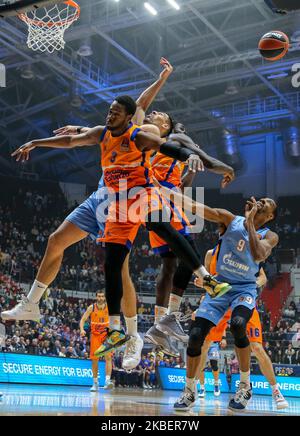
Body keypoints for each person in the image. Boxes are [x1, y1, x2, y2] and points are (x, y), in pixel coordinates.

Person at [1, 58, 175, 371]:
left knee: (120, 271)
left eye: (161, 119)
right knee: (55, 240)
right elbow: (136, 106)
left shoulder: (156, 146)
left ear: (166, 131)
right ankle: (31, 304)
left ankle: (133, 336)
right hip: (100, 198)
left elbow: (138, 113)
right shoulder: (129, 130)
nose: (153, 116)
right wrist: (162, 77)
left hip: (126, 207)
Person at [159, 187, 279, 412]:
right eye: (260, 199)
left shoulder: (269, 236)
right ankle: (189, 390)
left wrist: (251, 222)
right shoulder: (230, 220)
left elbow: (258, 255)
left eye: (266, 203)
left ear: (270, 216)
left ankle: (244, 386)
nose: (261, 202)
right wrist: (164, 192)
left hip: (244, 288)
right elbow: (196, 207)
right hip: (220, 287)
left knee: (238, 325)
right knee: (195, 337)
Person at [194, 245, 288, 409]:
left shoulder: (248, 253)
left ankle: (276, 392)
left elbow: (263, 278)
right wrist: (203, 294)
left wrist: (248, 284)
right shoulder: (211, 254)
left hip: (243, 300)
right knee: (203, 345)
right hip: (221, 304)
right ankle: (193, 388)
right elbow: (210, 284)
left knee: (257, 347)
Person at [79, 290, 113, 391]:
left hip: (107, 334)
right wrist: (82, 329)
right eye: (99, 296)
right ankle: (95, 383)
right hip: (95, 335)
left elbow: (116, 319)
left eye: (102, 296)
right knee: (95, 359)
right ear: (96, 297)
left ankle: (107, 381)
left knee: (108, 357)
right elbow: (82, 319)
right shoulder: (91, 307)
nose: (100, 298)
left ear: (105, 298)